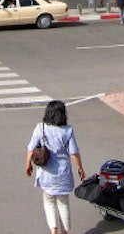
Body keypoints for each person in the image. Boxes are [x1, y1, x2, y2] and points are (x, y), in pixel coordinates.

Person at [25, 100, 85, 234]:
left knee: (49, 203)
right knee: (63, 204)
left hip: (46, 175)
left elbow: (30, 148)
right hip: (63, 175)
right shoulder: (68, 130)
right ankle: (65, 232)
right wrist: (80, 168)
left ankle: (53, 230)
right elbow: (74, 153)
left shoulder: (40, 128)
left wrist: (28, 164)